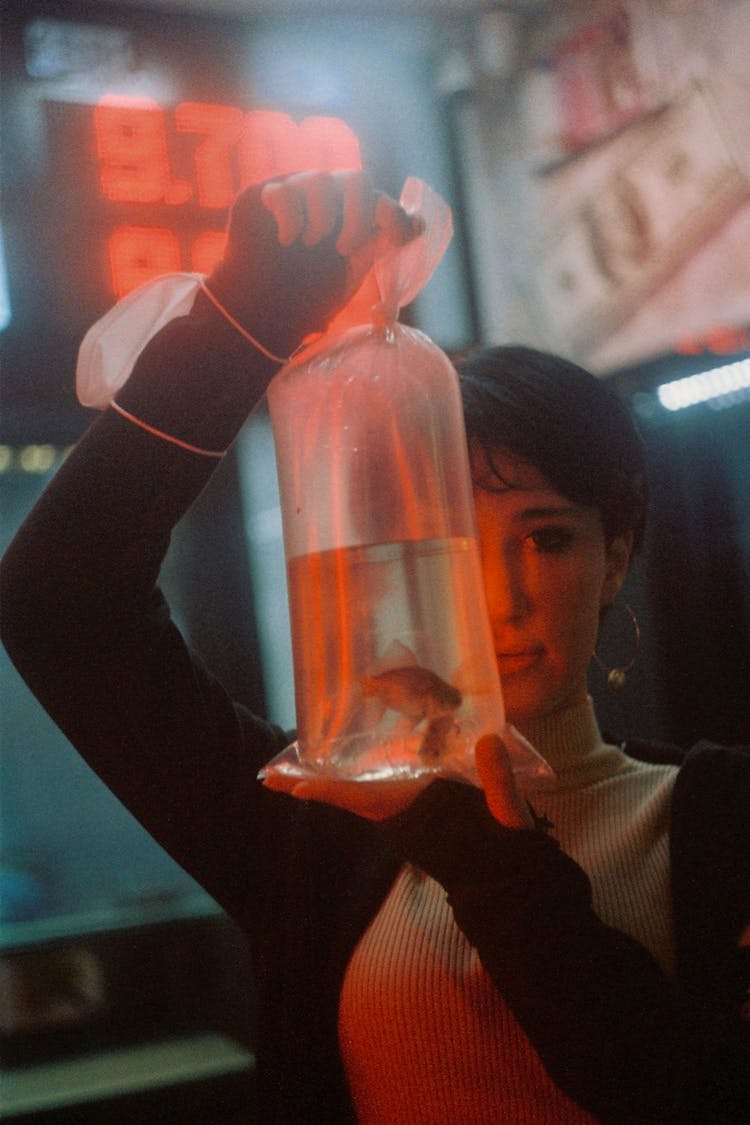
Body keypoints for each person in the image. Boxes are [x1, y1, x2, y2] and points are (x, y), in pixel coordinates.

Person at [1, 171, 748, 1125]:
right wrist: (243, 321)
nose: (500, 596)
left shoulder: (721, 820)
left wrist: (471, 844)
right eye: (455, 539)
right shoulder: (322, 829)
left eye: (547, 538)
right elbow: (58, 604)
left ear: (616, 558)